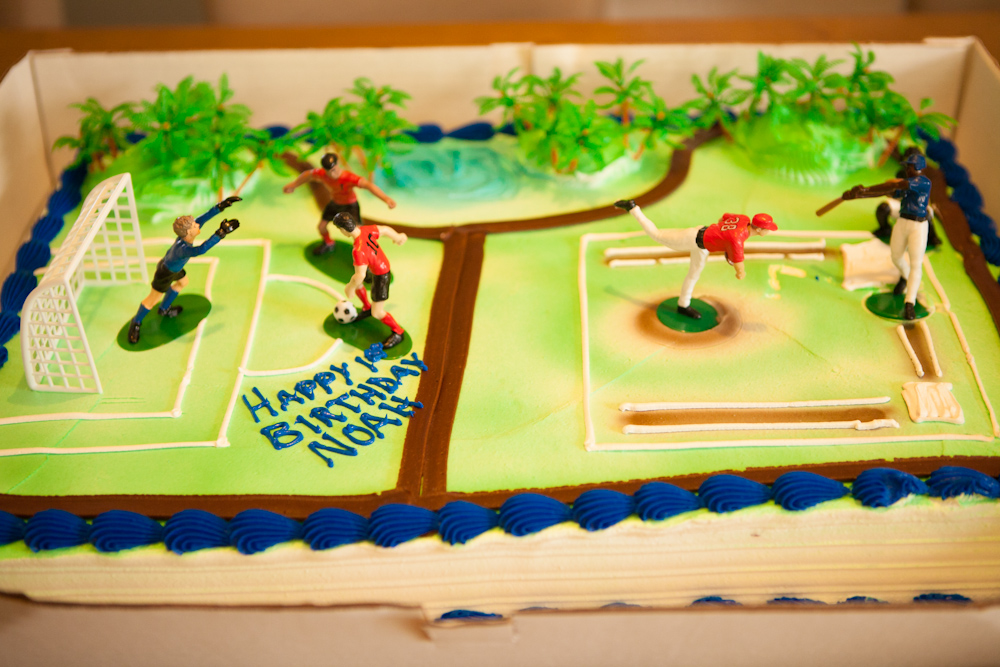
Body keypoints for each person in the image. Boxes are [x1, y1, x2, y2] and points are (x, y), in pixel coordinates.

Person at [614, 199, 777, 319]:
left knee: (694, 274)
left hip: (703, 243)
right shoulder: (738, 238)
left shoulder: (744, 219)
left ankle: (683, 305)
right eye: (768, 228)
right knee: (656, 234)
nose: (769, 231)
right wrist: (740, 274)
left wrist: (720, 236)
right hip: (691, 238)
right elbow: (739, 266)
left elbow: (723, 218)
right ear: (760, 230)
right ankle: (633, 208)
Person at [128, 196, 241, 344]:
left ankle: (164, 309)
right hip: (165, 273)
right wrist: (220, 233)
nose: (197, 225)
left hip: (174, 268)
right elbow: (200, 250)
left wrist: (220, 206)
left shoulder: (185, 237)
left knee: (183, 282)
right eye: (194, 226)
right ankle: (136, 323)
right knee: (152, 299)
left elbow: (202, 219)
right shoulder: (184, 249)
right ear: (188, 232)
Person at [842, 153, 931, 320]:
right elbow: (888, 191)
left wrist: (865, 189)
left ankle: (909, 303)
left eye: (910, 166)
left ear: (918, 167)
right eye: (907, 166)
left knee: (916, 264)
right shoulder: (907, 184)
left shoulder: (923, 182)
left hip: (918, 226)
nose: (907, 169)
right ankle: (905, 277)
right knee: (896, 256)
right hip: (903, 221)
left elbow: (894, 185)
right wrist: (859, 194)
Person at [283, 153, 397, 255]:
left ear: (338, 164)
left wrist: (385, 198)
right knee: (321, 227)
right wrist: (293, 185)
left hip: (350, 206)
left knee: (359, 233)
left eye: (335, 169)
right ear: (325, 170)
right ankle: (328, 243)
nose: (333, 173)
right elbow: (308, 174)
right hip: (335, 204)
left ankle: (368, 255)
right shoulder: (322, 174)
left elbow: (368, 185)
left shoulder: (348, 177)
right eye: (330, 171)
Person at [334, 212, 408, 349]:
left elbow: (359, 276)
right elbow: (385, 229)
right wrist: (397, 237)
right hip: (376, 267)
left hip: (381, 274)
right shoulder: (365, 230)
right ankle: (367, 307)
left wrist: (350, 287)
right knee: (359, 284)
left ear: (343, 230)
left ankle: (398, 332)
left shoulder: (358, 250)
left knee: (377, 313)